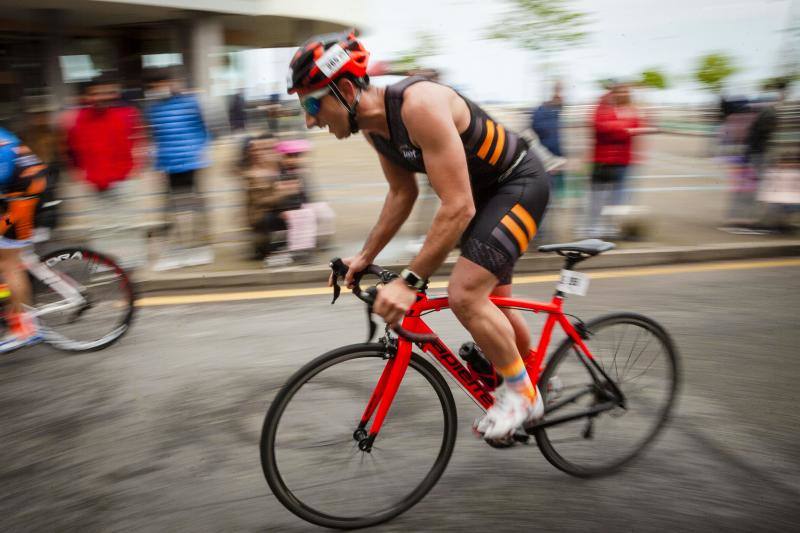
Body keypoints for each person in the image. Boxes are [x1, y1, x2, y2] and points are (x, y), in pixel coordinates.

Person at [287, 31, 550, 440]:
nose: (309, 119)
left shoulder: (419, 105)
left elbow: (458, 206)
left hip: (517, 183)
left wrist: (410, 282)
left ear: (342, 88)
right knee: (492, 303)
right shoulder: (377, 129)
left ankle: (522, 395)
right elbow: (402, 193)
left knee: (466, 295)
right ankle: (537, 377)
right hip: (482, 197)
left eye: (310, 103)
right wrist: (364, 254)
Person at [144, 67, 213, 269]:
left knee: (195, 207)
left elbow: (208, 128)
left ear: (171, 83)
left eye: (162, 84)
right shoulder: (153, 109)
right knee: (171, 211)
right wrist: (156, 165)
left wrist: (200, 148)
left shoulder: (192, 102)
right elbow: (154, 138)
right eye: (154, 86)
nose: (159, 89)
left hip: (192, 162)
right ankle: (177, 251)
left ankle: (200, 248)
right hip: (168, 165)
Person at [0, 127, 48, 352]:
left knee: (7, 261)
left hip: (24, 195)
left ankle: (23, 329)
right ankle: (10, 303)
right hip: (17, 190)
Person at [589, 81, 646, 238]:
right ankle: (593, 229)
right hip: (601, 161)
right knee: (597, 199)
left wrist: (619, 127)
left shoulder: (633, 109)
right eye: (619, 91)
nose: (622, 95)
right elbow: (600, 127)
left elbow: (635, 127)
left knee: (618, 200)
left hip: (623, 162)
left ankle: (610, 229)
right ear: (613, 93)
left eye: (625, 92)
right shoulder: (603, 106)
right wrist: (624, 128)